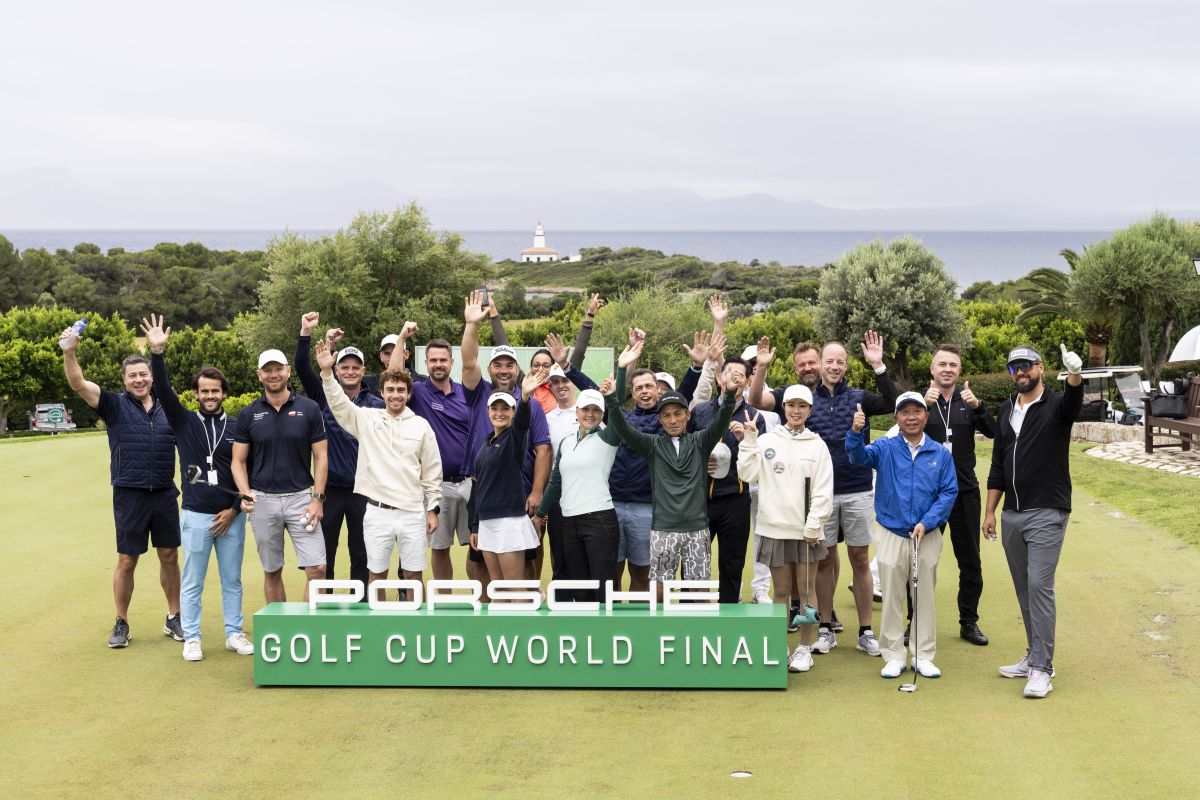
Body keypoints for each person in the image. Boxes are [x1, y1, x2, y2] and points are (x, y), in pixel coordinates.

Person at [748, 332, 897, 657]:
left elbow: (892, 403)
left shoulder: (858, 397)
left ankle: (865, 631)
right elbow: (756, 400)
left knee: (860, 558)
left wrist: (878, 365)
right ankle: (826, 628)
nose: (833, 366)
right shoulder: (801, 398)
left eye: (839, 361)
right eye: (829, 361)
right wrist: (761, 367)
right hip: (817, 497)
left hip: (856, 489)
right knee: (825, 560)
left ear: (845, 365)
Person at [62, 325, 181, 648]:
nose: (139, 380)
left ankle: (174, 616)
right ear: (124, 380)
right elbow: (78, 383)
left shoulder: (169, 407)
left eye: (143, 374)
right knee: (127, 560)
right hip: (130, 494)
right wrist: (69, 352)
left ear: (151, 377)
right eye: (133, 376)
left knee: (169, 555)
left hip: (164, 493)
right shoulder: (113, 404)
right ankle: (121, 621)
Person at [141, 315, 253, 661]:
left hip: (231, 517)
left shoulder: (237, 426)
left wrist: (233, 510)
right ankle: (192, 637)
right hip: (194, 515)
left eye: (215, 391)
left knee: (232, 580)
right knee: (192, 581)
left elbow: (247, 471)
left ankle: (234, 633)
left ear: (224, 393)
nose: (209, 396)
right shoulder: (183, 420)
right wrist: (157, 354)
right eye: (204, 391)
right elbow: (163, 390)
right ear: (196, 393)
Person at [985, 344, 1083, 699]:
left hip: (1047, 510)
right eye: (1014, 368)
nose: (1020, 372)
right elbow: (998, 463)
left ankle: (1043, 668)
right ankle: (1033, 655)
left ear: (1040, 368)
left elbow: (1074, 402)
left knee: (1039, 585)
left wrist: (1075, 375)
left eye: (1026, 366)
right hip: (1012, 513)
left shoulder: (1056, 404)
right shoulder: (1006, 409)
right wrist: (990, 510)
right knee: (1024, 588)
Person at [604, 339, 737, 598]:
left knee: (698, 591)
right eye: (666, 415)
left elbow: (721, 421)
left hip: (697, 529)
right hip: (662, 529)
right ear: (660, 419)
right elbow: (622, 428)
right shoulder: (652, 445)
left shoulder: (701, 441)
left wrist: (729, 395)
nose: (673, 419)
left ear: (688, 415)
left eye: (678, 414)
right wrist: (611, 399)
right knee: (659, 591)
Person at [315, 339, 442, 596]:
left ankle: (414, 620)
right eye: (390, 389)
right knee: (376, 575)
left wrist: (432, 509)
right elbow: (339, 404)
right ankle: (379, 621)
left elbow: (432, 473)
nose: (396, 395)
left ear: (409, 394)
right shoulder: (366, 418)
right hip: (376, 511)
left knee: (413, 575)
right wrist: (327, 372)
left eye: (401, 390)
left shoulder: (421, 426)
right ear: (382, 393)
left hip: (412, 511)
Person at [847, 392, 958, 680]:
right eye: (905, 412)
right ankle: (894, 655)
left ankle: (923, 655)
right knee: (892, 597)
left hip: (926, 535)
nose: (911, 417)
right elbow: (858, 457)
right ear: (896, 417)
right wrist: (855, 432)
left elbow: (948, 492)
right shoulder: (885, 447)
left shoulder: (940, 453)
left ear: (926, 416)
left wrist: (927, 522)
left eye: (917, 411)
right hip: (891, 532)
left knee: (924, 596)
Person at [737, 385, 833, 673]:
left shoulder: (817, 445)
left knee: (806, 591)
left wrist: (814, 524)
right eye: (791, 405)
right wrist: (749, 440)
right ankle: (780, 646)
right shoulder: (767, 440)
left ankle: (804, 648)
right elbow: (747, 474)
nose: (796, 411)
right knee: (780, 591)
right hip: (774, 528)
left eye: (802, 406)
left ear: (810, 411)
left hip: (806, 532)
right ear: (784, 408)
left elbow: (823, 489)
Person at [461, 291, 552, 583]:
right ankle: (490, 611)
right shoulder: (479, 394)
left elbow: (542, 449)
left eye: (509, 365)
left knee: (524, 567)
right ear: (489, 369)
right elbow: (468, 361)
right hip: (484, 493)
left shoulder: (529, 404)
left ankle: (524, 608)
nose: (503, 370)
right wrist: (472, 325)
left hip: (519, 494)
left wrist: (537, 492)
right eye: (498, 365)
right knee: (479, 567)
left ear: (517, 369)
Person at [295, 312, 385, 590]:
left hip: (365, 490)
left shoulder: (377, 403)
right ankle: (326, 604)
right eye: (344, 366)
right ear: (335, 369)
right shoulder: (323, 395)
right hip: (330, 490)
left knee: (362, 552)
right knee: (326, 552)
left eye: (355, 367)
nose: (349, 371)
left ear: (363, 370)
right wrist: (306, 333)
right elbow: (301, 367)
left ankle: (362, 604)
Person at [231, 349, 329, 603]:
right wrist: (245, 492)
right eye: (267, 370)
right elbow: (238, 461)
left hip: (302, 500)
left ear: (288, 371)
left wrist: (317, 498)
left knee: (317, 569)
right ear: (259, 375)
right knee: (272, 570)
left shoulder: (309, 408)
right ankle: (280, 625)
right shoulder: (249, 414)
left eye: (278, 369)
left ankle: (305, 624)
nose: (273, 374)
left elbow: (321, 457)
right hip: (263, 501)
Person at [922, 344, 995, 646]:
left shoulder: (968, 401)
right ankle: (916, 621)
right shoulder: (922, 402)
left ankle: (969, 621)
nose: (947, 369)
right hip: (928, 495)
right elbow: (901, 432)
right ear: (932, 369)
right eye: (942, 364)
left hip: (964, 492)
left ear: (959, 370)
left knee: (970, 561)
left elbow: (993, 431)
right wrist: (922, 406)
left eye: (953, 365)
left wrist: (978, 406)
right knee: (922, 561)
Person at [692, 355, 767, 603]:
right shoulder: (700, 411)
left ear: (747, 382)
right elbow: (686, 449)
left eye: (740, 375)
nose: (734, 378)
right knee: (694, 561)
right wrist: (700, 461)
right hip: (700, 499)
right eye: (729, 373)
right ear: (719, 377)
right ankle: (691, 614)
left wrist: (747, 439)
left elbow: (761, 460)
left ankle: (728, 616)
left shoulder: (754, 417)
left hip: (736, 499)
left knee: (731, 563)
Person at [536, 386, 622, 603]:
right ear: (577, 411)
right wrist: (540, 514)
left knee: (604, 587)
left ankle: (609, 625)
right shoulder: (567, 442)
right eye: (585, 409)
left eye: (596, 410)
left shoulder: (608, 437)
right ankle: (587, 626)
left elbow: (617, 409)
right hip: (569, 521)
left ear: (603, 413)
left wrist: (620, 374)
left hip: (599, 520)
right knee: (580, 588)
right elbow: (556, 482)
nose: (590, 414)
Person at [468, 369, 549, 587]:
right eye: (495, 408)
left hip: (509, 523)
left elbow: (522, 424)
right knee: (498, 587)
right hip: (487, 522)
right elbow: (481, 487)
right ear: (488, 411)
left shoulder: (515, 438)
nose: (500, 413)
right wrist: (475, 526)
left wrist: (525, 398)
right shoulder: (486, 443)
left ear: (513, 411)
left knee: (515, 588)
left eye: (505, 408)